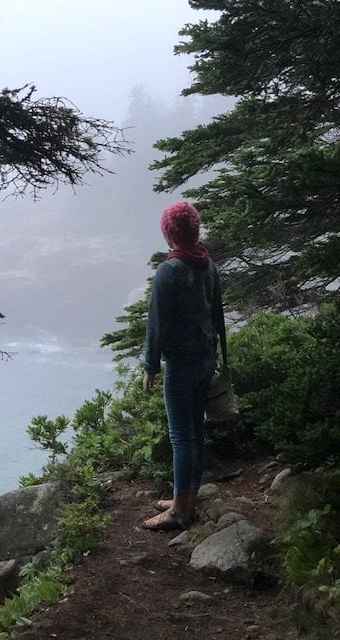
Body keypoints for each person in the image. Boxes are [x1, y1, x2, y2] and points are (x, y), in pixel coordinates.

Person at [141, 201, 224, 531]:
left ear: (168, 233)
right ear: (195, 230)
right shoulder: (207, 264)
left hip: (181, 363)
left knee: (180, 436)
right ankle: (186, 498)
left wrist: (150, 365)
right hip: (205, 357)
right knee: (195, 430)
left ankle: (179, 511)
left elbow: (156, 324)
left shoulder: (170, 270)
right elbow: (216, 315)